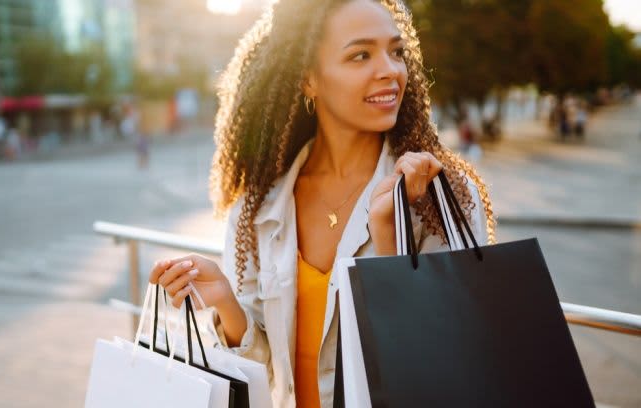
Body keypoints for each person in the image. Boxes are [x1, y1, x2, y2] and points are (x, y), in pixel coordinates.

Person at [148, 1, 496, 407]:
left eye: (396, 51)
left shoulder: (439, 196)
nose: (390, 70)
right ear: (309, 80)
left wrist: (389, 244)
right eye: (360, 55)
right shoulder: (258, 207)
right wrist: (225, 300)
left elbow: (442, 361)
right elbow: (269, 369)